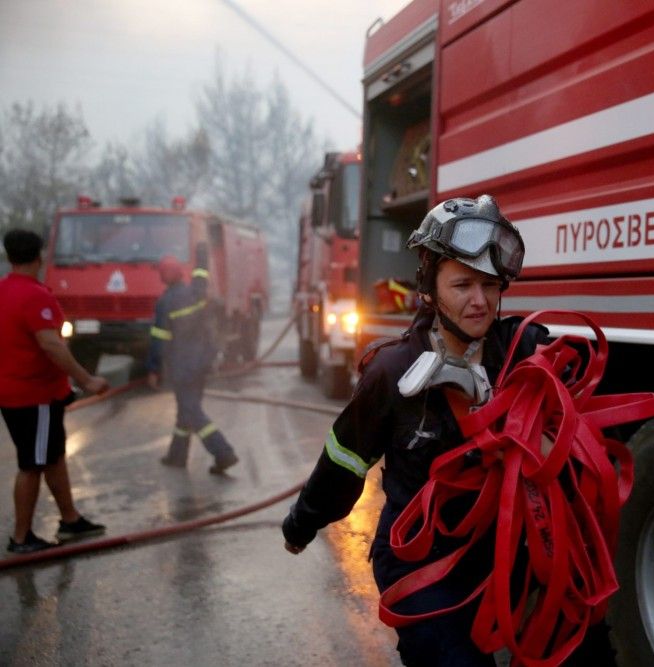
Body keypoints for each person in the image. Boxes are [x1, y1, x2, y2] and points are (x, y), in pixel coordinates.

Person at [281, 196, 616, 666]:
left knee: (584, 648)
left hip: (505, 551)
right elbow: (344, 461)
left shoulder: (525, 354)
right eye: (461, 284)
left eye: (488, 285)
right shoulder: (393, 374)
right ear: (429, 288)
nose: (479, 301)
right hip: (422, 562)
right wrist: (302, 522)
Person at [0, 229, 109, 554]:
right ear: (40, 256)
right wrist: (86, 380)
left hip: (15, 392)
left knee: (53, 457)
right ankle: (21, 539)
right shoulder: (35, 295)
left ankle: (70, 520)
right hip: (34, 397)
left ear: (8, 257)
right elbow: (51, 344)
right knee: (32, 465)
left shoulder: (3, 291)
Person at [147, 245, 238, 474]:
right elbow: (201, 276)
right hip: (202, 362)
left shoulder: (165, 303)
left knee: (192, 411)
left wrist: (153, 369)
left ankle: (223, 452)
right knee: (185, 410)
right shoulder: (195, 292)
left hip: (182, 367)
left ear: (162, 277)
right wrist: (202, 254)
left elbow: (159, 341)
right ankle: (177, 455)